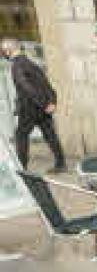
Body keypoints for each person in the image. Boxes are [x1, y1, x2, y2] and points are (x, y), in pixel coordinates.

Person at [3, 38, 66, 172]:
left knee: (21, 136)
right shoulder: (31, 63)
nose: (4, 53)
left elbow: (27, 88)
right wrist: (51, 102)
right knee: (50, 134)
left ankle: (22, 168)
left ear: (8, 51)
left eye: (4, 51)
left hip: (30, 108)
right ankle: (61, 164)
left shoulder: (17, 66)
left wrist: (44, 104)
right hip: (42, 107)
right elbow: (47, 84)